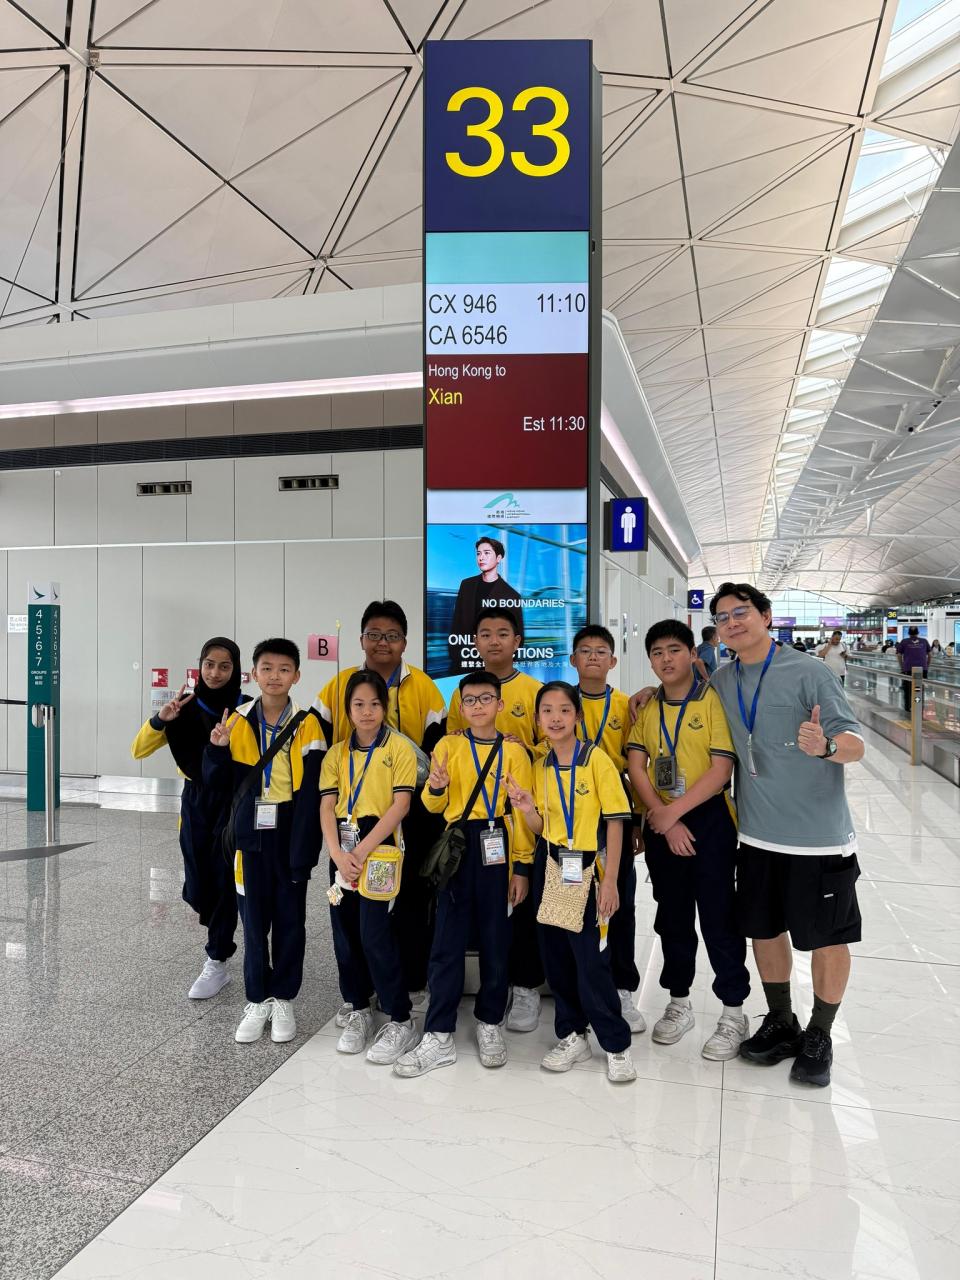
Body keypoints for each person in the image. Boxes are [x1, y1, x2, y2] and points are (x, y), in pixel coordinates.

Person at [704, 583, 864, 1087]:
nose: (732, 623)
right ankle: (781, 1020)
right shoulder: (722, 680)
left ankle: (820, 1032)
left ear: (767, 616)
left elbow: (855, 743)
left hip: (818, 839)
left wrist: (825, 747)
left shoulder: (810, 671)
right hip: (756, 837)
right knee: (765, 930)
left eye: (741, 613)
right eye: (723, 617)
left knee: (827, 939)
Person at [394, 672, 534, 1077]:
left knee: (496, 940)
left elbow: (523, 814)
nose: (477, 706)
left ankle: (490, 1022)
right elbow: (432, 806)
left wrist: (522, 867)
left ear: (500, 704)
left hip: (499, 844)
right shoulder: (448, 745)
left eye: (485, 698)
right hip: (457, 847)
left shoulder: (515, 752)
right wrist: (437, 787)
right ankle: (439, 1032)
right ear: (460, 706)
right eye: (469, 700)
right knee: (447, 941)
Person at [314, 600, 446, 1019]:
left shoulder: (424, 686)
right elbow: (317, 745)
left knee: (410, 901)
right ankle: (360, 993)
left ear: (404, 641)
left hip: (408, 814)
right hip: (350, 815)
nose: (382, 642)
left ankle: (409, 982)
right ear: (361, 639)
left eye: (392, 635)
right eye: (374, 634)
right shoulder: (338, 686)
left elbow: (438, 748)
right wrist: (338, 848)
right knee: (351, 913)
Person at [626, 620, 750, 1060]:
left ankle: (733, 1011)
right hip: (662, 820)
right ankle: (678, 1002)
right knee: (672, 917)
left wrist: (673, 814)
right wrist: (662, 817)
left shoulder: (713, 701)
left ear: (692, 654)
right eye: (657, 652)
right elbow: (636, 764)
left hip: (708, 819)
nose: (666, 659)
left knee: (719, 918)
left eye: (674, 650)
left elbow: (721, 769)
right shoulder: (647, 707)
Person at [508, 682, 637, 1083]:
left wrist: (611, 881)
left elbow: (616, 822)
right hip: (551, 867)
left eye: (564, 710)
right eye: (547, 711)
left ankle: (615, 1044)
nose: (556, 718)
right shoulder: (540, 766)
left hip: (589, 869)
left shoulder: (596, 760)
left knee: (591, 961)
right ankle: (572, 1034)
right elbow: (541, 827)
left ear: (577, 716)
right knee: (557, 957)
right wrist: (527, 809)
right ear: (537, 718)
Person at [205, 638, 324, 1045]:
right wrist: (217, 750)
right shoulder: (236, 720)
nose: (275, 676)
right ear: (253, 674)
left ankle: (284, 998)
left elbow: (312, 792)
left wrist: (305, 850)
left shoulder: (308, 724)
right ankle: (257, 999)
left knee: (290, 920)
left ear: (297, 676)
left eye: (284, 669)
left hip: (289, 828)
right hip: (249, 832)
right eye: (267, 668)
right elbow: (217, 784)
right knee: (253, 920)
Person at [446, 607, 545, 1034]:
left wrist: (523, 748)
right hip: (473, 821)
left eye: (503, 633)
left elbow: (551, 747)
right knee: (480, 915)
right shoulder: (463, 693)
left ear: (517, 641)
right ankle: (473, 994)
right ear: (475, 642)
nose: (493, 641)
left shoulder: (534, 691)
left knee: (519, 906)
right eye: (484, 633)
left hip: (519, 815)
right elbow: (454, 746)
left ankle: (525, 987)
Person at [131, 637, 246, 999]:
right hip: (196, 803)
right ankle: (216, 935)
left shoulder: (245, 709)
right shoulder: (183, 708)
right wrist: (160, 720)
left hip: (231, 803)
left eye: (225, 666)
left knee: (224, 882)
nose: (215, 673)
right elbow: (138, 750)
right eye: (209, 664)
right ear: (200, 666)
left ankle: (217, 959)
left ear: (236, 670)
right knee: (199, 886)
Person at [320, 670, 418, 1064]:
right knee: (344, 933)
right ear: (347, 710)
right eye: (358, 704)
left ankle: (399, 1017)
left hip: (380, 848)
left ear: (385, 707)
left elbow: (401, 806)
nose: (366, 712)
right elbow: (327, 806)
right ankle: (359, 1007)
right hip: (342, 850)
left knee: (375, 934)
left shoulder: (399, 749)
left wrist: (360, 852)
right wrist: (337, 854)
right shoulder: (335, 754)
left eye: (374, 704)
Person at [568, 623, 644, 1033]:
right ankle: (578, 986)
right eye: (585, 650)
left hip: (614, 813)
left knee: (621, 901)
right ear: (573, 659)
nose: (593, 656)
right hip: (569, 814)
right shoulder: (560, 702)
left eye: (601, 651)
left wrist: (638, 820)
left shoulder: (626, 706)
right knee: (572, 902)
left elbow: (637, 765)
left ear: (613, 661)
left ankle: (622, 986)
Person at [448, 538, 524, 674]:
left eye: (487, 553)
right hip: (462, 664)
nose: (481, 557)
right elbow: (456, 624)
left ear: (499, 558)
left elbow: (518, 639)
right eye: (478, 553)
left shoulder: (511, 595)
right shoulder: (466, 585)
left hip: (494, 669)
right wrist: (455, 656)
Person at [895, 626, 931, 713]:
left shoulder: (904, 641)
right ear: (918, 633)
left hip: (908, 668)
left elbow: (899, 655)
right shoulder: (924, 641)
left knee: (908, 688)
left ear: (908, 633)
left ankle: (908, 707)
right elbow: (930, 655)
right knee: (919, 688)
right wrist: (927, 666)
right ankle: (919, 706)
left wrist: (902, 667)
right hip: (922, 668)